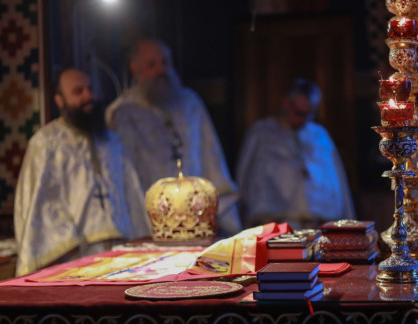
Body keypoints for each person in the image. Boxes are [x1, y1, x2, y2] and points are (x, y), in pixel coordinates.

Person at [14, 68, 150, 276]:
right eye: (78, 91)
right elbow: (41, 208)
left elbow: (132, 195)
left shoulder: (112, 140)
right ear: (60, 100)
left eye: (90, 88)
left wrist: (140, 239)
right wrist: (70, 244)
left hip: (122, 253)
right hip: (74, 257)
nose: (88, 96)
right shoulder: (46, 144)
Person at [105, 39, 242, 236]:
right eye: (151, 65)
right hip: (150, 222)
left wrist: (219, 210)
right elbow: (125, 176)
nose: (161, 70)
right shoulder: (121, 113)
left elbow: (211, 156)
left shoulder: (189, 103)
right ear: (135, 69)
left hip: (199, 216)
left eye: (165, 63)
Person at [237, 78, 356, 229]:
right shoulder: (261, 133)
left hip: (318, 225)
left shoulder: (319, 135)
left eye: (310, 114)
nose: (303, 120)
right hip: (275, 224)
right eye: (299, 113)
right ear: (286, 103)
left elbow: (339, 183)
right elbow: (244, 177)